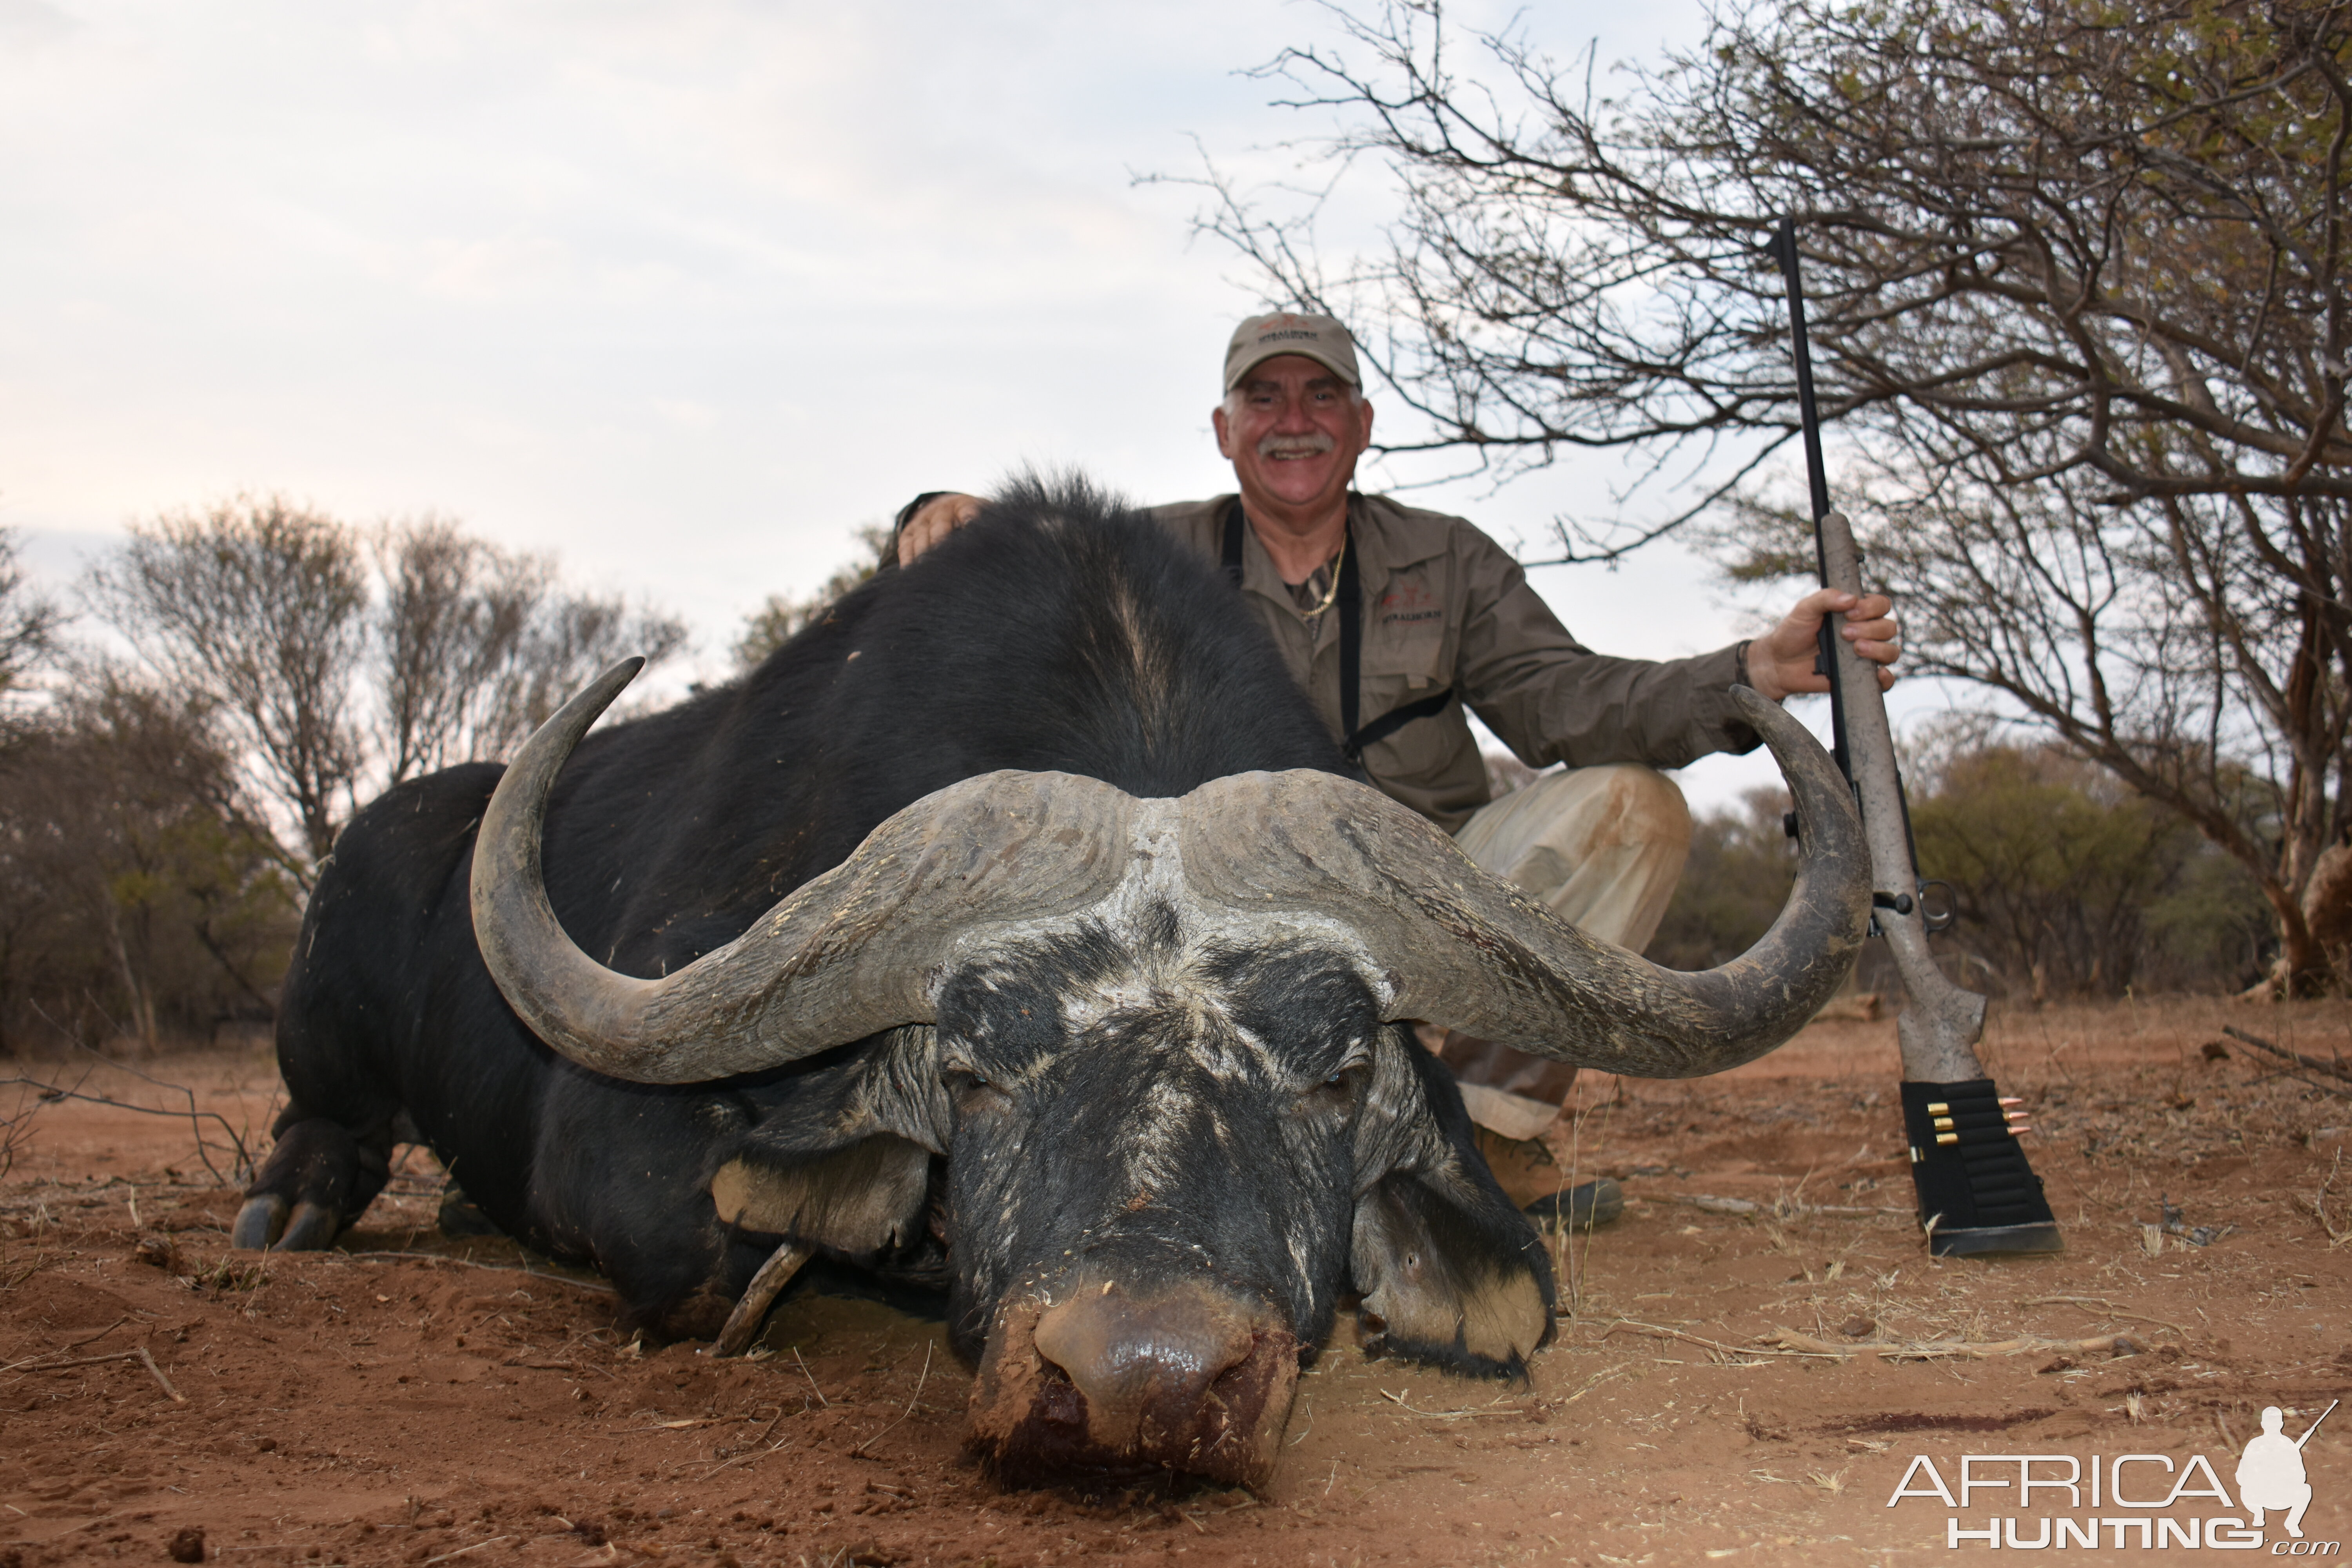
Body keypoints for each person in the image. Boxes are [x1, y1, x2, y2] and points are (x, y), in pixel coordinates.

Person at [895, 311, 1900, 1214]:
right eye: (1265, 397)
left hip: (1427, 898)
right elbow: (1003, 595)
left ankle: (1475, 1147)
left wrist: (1755, 670)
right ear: (1223, 429)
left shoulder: (1451, 557)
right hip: (1219, 926)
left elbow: (1570, 698)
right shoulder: (1143, 552)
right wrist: (945, 517)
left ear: (1363, 422)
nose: (1296, 419)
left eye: (1322, 395)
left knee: (1635, 807)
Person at [2236, 1406, 2316, 1538]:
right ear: (2281, 1424)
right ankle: (2265, 1516)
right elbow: (2301, 1476)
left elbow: (2240, 1477)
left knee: (2305, 1489)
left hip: (2263, 1497)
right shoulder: (2285, 1444)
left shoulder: (2256, 1444)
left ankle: (2281, 1520)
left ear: (2263, 1425)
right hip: (2263, 1496)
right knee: (2305, 1490)